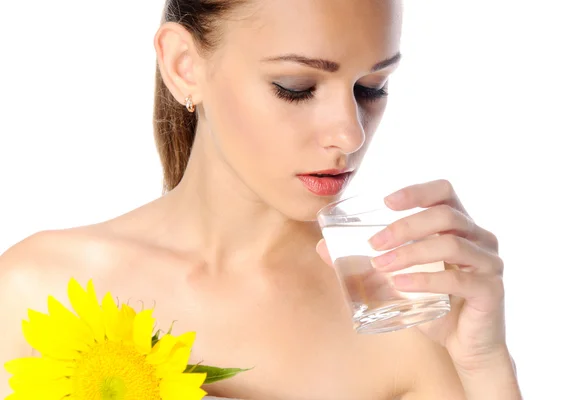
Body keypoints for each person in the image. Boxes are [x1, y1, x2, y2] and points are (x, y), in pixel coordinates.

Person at [0, 0, 522, 398]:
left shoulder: (405, 315)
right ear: (185, 65)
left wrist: (486, 365)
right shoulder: (36, 289)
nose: (350, 133)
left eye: (372, 87)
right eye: (295, 87)